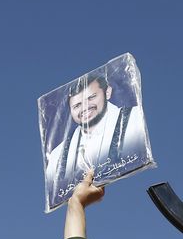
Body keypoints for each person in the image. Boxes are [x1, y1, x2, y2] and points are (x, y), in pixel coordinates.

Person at [44, 72, 148, 207]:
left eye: (92, 97)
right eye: (76, 105)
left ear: (108, 92)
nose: (85, 107)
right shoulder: (57, 156)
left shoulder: (136, 120)